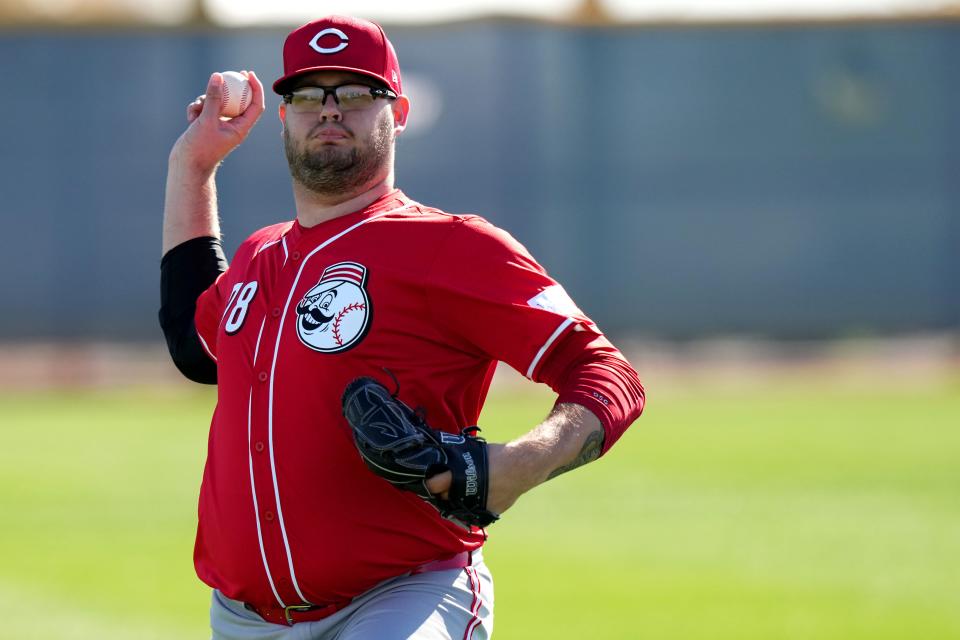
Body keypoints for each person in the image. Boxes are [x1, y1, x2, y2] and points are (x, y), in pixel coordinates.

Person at [159, 14, 644, 640]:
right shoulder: (261, 254)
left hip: (402, 597)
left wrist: (518, 464)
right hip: (244, 618)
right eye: (308, 95)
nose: (329, 111)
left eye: (356, 94)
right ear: (284, 116)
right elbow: (196, 349)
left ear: (399, 111)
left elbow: (607, 373)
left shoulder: (451, 247)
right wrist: (192, 167)